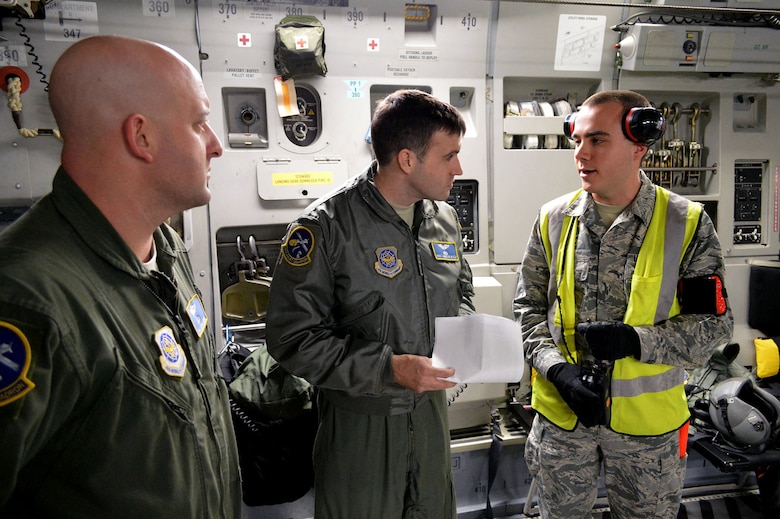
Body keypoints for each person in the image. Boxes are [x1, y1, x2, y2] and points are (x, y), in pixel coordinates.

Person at [0, 35, 242, 518]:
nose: (216, 145)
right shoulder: (27, 299)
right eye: (199, 124)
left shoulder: (162, 246)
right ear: (141, 136)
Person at [514, 90, 733, 519]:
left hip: (647, 436)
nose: (581, 154)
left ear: (639, 143)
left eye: (597, 140)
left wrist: (634, 341)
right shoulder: (552, 219)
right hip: (563, 422)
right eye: (576, 141)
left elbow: (713, 329)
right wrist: (557, 371)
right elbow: (528, 311)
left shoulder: (686, 223)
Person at [265, 89, 475, 518]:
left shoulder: (443, 219)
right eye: (448, 155)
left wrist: (464, 340)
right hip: (360, 424)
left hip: (431, 417)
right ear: (407, 160)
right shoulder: (325, 227)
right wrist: (389, 368)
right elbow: (292, 338)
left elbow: (462, 291)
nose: (459, 168)